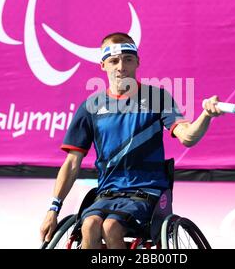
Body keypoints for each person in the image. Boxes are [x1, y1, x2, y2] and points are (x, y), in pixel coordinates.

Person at [40, 32, 223, 249]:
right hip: (108, 192)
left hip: (147, 191)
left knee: (111, 227)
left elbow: (188, 137)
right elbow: (71, 163)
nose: (121, 66)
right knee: (89, 225)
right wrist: (53, 209)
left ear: (137, 61)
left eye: (127, 59)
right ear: (103, 65)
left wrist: (206, 116)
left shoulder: (157, 97)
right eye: (114, 61)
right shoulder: (91, 106)